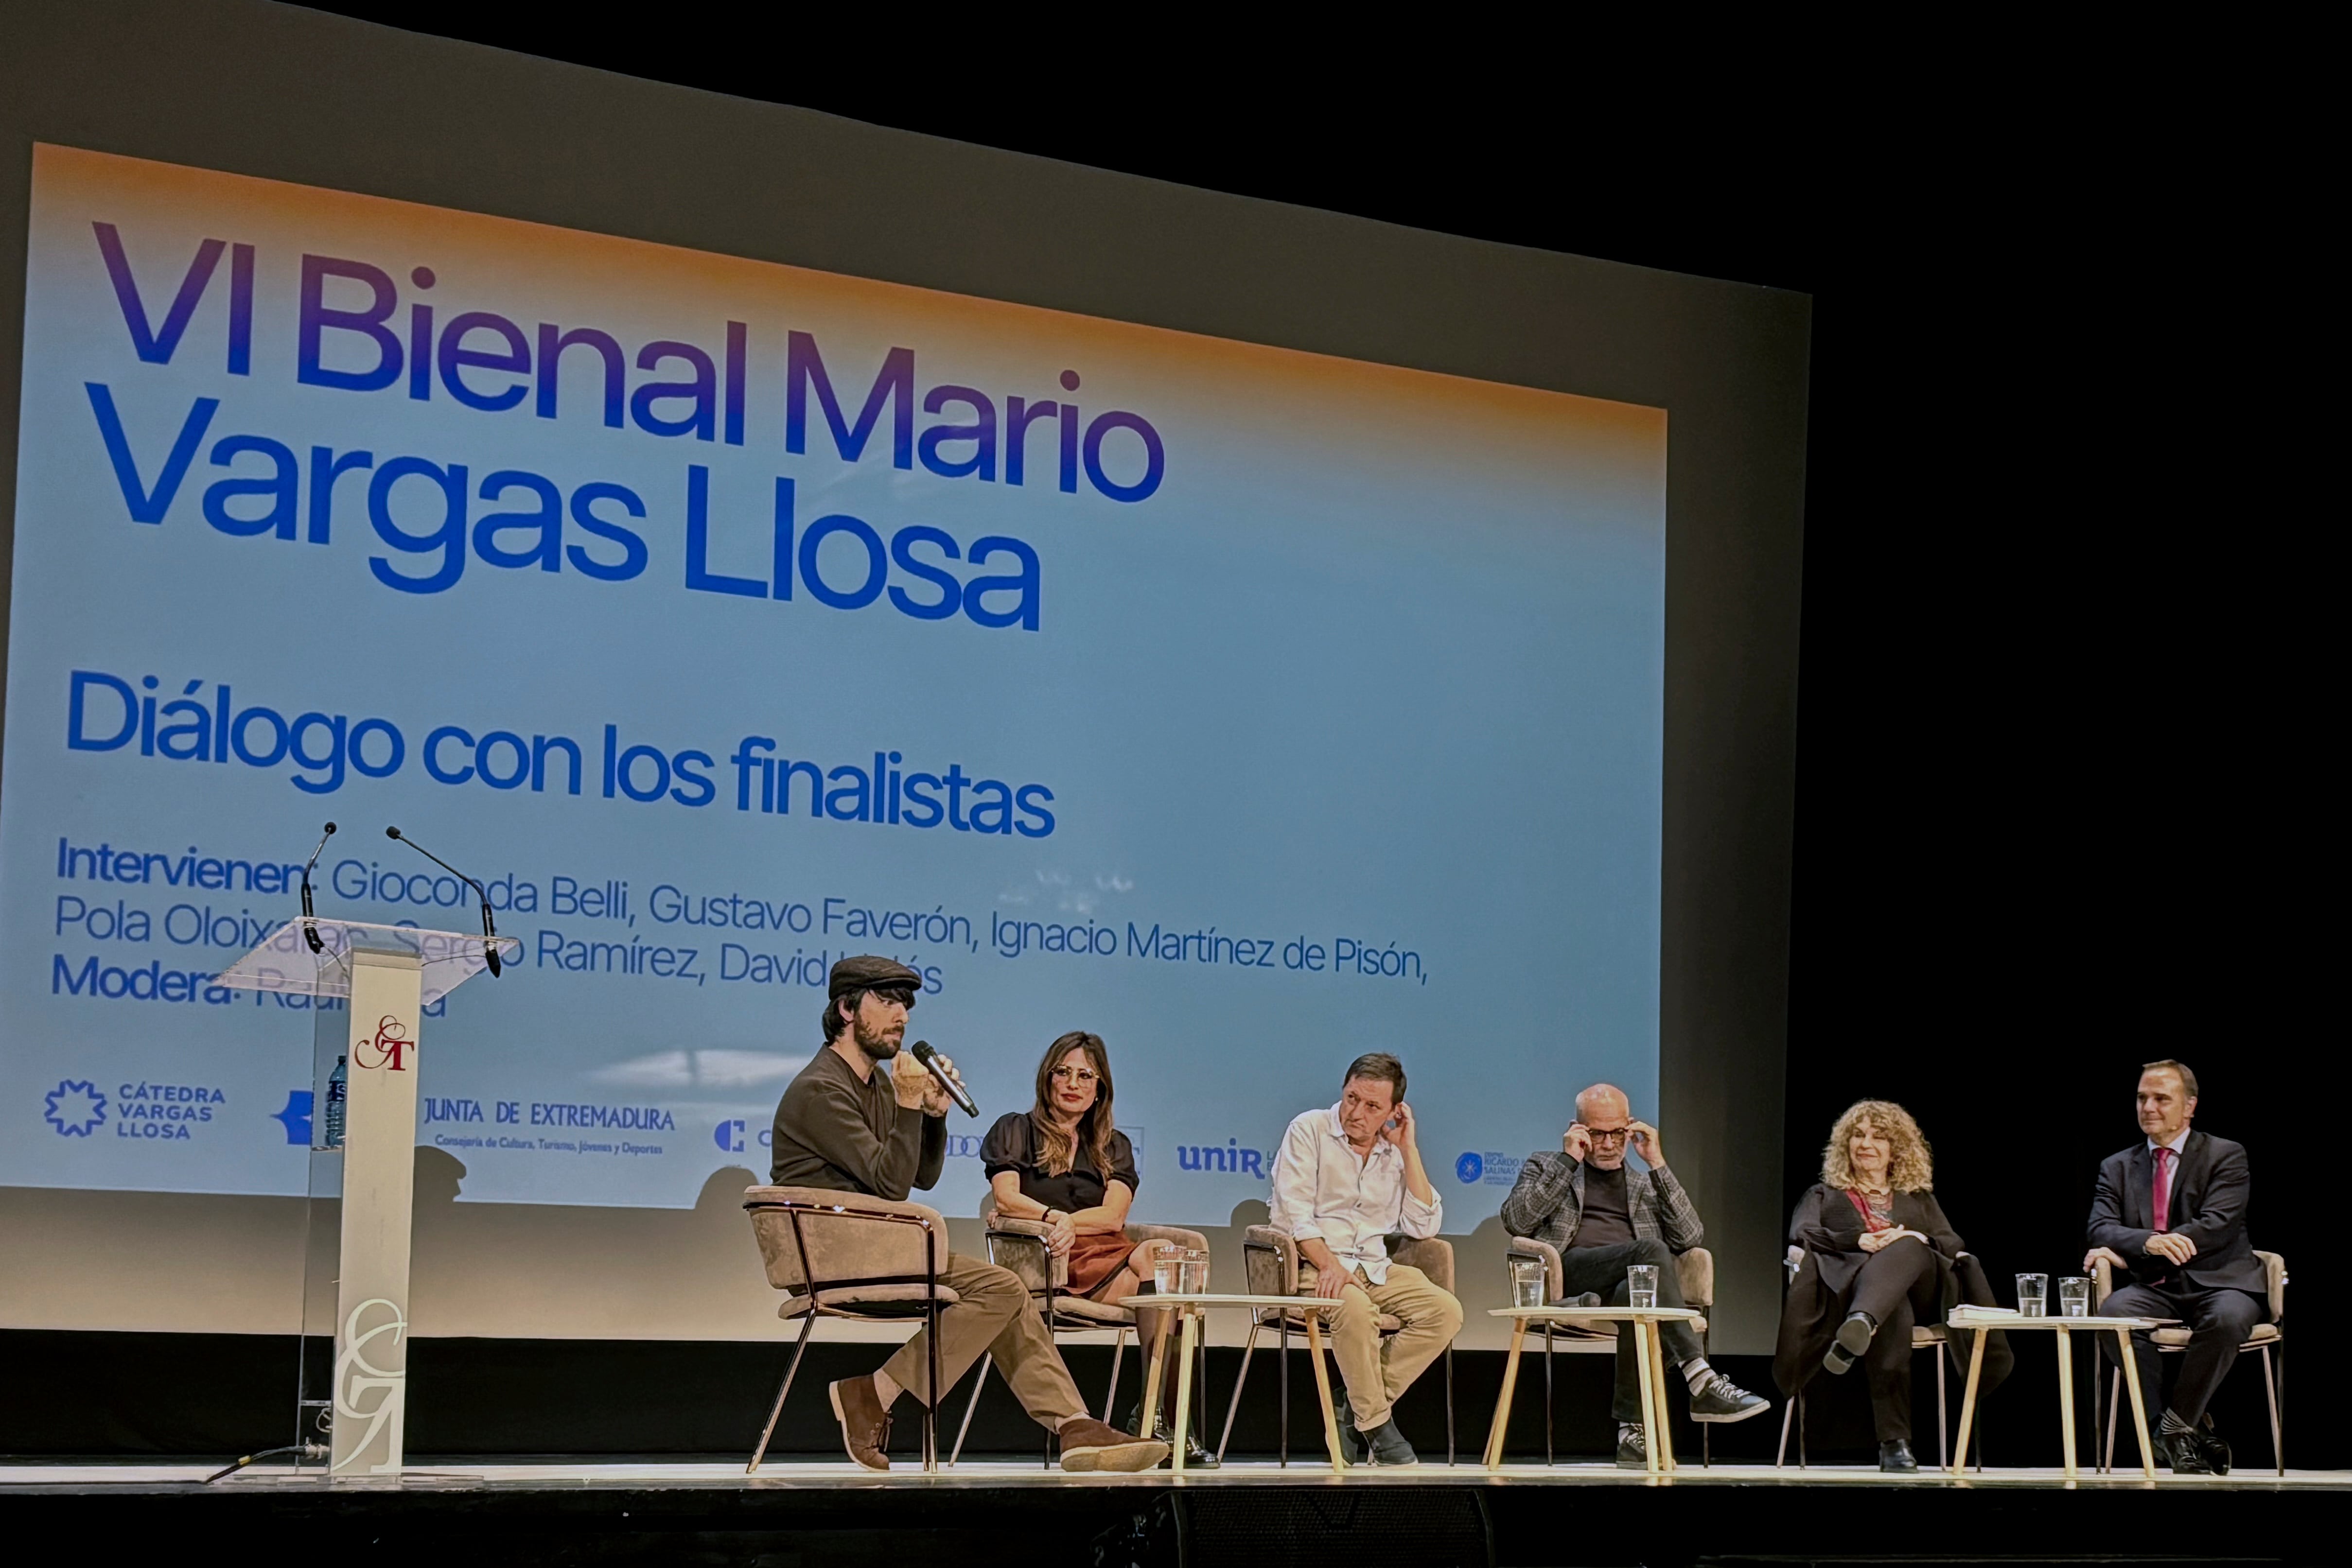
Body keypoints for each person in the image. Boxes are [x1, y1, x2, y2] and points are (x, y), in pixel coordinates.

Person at [767, 955, 1166, 1473]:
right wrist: (911, 1102)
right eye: (887, 1002)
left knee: (1003, 1288)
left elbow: (921, 1174)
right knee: (1002, 1288)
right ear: (846, 1009)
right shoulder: (821, 1088)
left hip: (874, 1243)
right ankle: (876, 1391)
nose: (902, 1016)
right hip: (833, 1249)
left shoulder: (875, 1086)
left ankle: (1072, 1425)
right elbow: (890, 1184)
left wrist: (931, 1113)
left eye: (905, 1005)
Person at [1501, 1083, 1770, 1468]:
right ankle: (1699, 1376)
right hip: (1570, 1273)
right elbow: (1517, 1221)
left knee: (1637, 1290)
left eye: (1618, 1133)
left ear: (1630, 1129)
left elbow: (1690, 1237)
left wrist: (1657, 1163)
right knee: (1650, 1252)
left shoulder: (1644, 1184)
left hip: (1621, 1286)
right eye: (1597, 1133)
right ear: (1577, 1129)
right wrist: (1568, 1161)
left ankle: (1633, 1434)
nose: (1609, 1143)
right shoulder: (1547, 1165)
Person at [981, 1030, 1212, 1465]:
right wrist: (1052, 1221)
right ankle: (1162, 1419)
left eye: (1085, 1075)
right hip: (1045, 1261)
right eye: (1063, 1073)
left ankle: (1165, 1416)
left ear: (1099, 1087)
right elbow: (1007, 1199)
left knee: (1164, 1256)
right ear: (1047, 1080)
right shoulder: (1015, 1129)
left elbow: (1113, 1218)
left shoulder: (1113, 1145)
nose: (1073, 1083)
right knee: (1164, 1279)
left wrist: (1065, 1220)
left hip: (1106, 1255)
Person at [1774, 1100, 2007, 1471]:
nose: (1866, 1144)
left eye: (1878, 1137)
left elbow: (1952, 1243)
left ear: (1896, 1149)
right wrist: (1858, 1241)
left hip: (1922, 1288)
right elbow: (1802, 1233)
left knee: (1909, 1246)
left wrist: (1915, 1238)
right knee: (1894, 1313)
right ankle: (1894, 1444)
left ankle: (1863, 1323)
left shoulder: (1918, 1199)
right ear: (1845, 1144)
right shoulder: (1825, 1194)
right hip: (1851, 1294)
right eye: (1858, 1135)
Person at [1267, 1052, 1463, 1466]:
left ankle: (1356, 1403)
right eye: (1352, 1098)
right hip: (1311, 1265)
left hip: (1373, 1266)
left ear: (1395, 1112)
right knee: (1354, 1308)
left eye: (1372, 1106)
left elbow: (1424, 1223)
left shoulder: (1393, 1154)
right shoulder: (1309, 1129)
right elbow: (1294, 1214)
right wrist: (1330, 1266)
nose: (1356, 1113)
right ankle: (1377, 1425)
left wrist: (1408, 1149)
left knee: (1445, 1311)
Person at [2085, 1059, 2265, 1475]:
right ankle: (2179, 1435)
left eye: (2162, 1099)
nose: (2149, 1107)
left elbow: (2217, 1226)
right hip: (2155, 1286)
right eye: (2142, 1098)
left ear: (2189, 1107)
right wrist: (2147, 1241)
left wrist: (2140, 1249)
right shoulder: (2117, 1166)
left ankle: (2174, 1425)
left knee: (2228, 1318)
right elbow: (2100, 1227)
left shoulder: (2225, 1154)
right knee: (2113, 1315)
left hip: (2221, 1281)